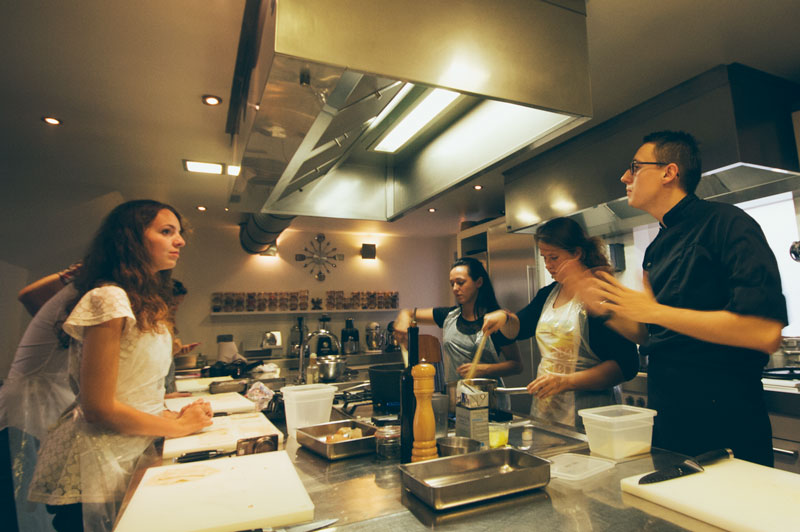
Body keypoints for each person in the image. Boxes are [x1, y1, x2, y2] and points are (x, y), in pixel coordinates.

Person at [589, 130, 787, 466]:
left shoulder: (728, 224)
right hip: (669, 417)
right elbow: (649, 332)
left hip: (725, 419)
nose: (625, 177)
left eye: (635, 167)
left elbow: (763, 333)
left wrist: (655, 310)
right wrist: (605, 308)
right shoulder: (655, 247)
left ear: (669, 172)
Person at [28, 200, 213, 532]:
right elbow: (98, 407)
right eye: (166, 231)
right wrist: (180, 427)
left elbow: (133, 388)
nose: (180, 241)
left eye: (179, 233)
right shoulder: (108, 298)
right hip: (98, 463)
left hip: (125, 452)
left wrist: (169, 415)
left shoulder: (141, 300)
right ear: (131, 239)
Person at [483, 218, 639, 429]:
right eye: (544, 258)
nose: (548, 266)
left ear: (577, 253)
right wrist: (504, 318)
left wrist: (567, 381)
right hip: (546, 411)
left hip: (590, 416)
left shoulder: (601, 293)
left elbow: (625, 365)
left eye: (554, 257)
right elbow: (520, 328)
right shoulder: (548, 294)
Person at [1, 265, 82, 532]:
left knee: (32, 505)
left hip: (46, 403)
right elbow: (28, 295)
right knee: (24, 505)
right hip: (28, 410)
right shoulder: (93, 293)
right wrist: (70, 274)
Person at [394, 257, 522, 409]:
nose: (455, 288)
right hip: (457, 401)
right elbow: (409, 313)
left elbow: (517, 365)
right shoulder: (448, 316)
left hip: (491, 403)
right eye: (452, 284)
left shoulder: (495, 321)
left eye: (460, 282)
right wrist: (403, 317)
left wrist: (484, 369)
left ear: (479, 282)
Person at [164, 279, 199, 396]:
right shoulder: (152, 327)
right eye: (173, 304)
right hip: (159, 395)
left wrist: (175, 352)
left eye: (178, 304)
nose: (176, 308)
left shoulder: (167, 324)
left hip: (166, 391)